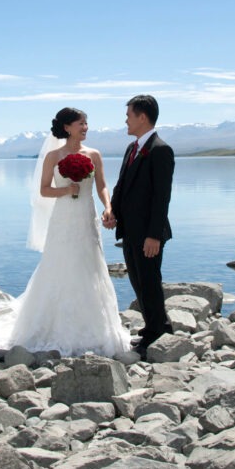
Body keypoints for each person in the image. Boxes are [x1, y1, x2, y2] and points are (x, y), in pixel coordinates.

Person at [0, 107, 129, 357]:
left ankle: (96, 329)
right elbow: (43, 190)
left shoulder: (94, 154)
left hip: (86, 217)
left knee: (90, 264)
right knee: (59, 265)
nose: (85, 128)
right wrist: (65, 190)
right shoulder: (53, 156)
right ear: (66, 127)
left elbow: (102, 185)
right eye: (80, 124)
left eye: (86, 123)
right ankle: (54, 327)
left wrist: (108, 207)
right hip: (63, 219)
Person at [104, 95, 174, 360]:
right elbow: (122, 187)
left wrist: (154, 235)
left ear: (142, 117)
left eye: (129, 115)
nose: (126, 120)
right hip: (130, 230)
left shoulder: (160, 149)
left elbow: (161, 197)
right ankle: (151, 329)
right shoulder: (132, 148)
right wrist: (112, 212)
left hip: (149, 233)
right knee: (137, 281)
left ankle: (159, 334)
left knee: (149, 281)